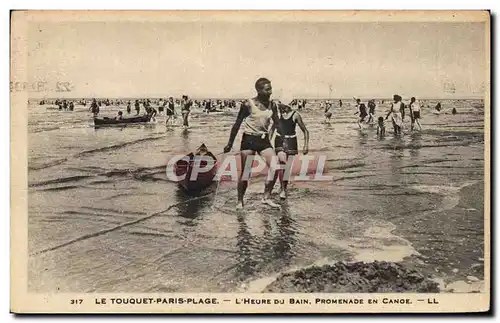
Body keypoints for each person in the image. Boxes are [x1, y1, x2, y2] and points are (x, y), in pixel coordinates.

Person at [223, 78, 287, 209]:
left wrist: (284, 139)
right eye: (267, 89)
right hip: (249, 140)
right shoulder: (248, 104)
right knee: (246, 173)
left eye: (271, 89)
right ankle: (240, 201)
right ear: (258, 90)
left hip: (263, 140)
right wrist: (229, 143)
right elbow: (237, 125)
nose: (270, 92)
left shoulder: (273, 105)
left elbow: (277, 123)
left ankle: (266, 197)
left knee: (275, 167)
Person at [269, 98, 309, 200]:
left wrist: (306, 145)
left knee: (287, 168)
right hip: (279, 140)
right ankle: (282, 189)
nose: (278, 107)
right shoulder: (277, 115)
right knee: (282, 164)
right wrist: (267, 142)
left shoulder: (295, 115)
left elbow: (305, 131)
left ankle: (283, 188)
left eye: (280, 105)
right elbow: (272, 129)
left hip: (291, 141)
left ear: (286, 106)